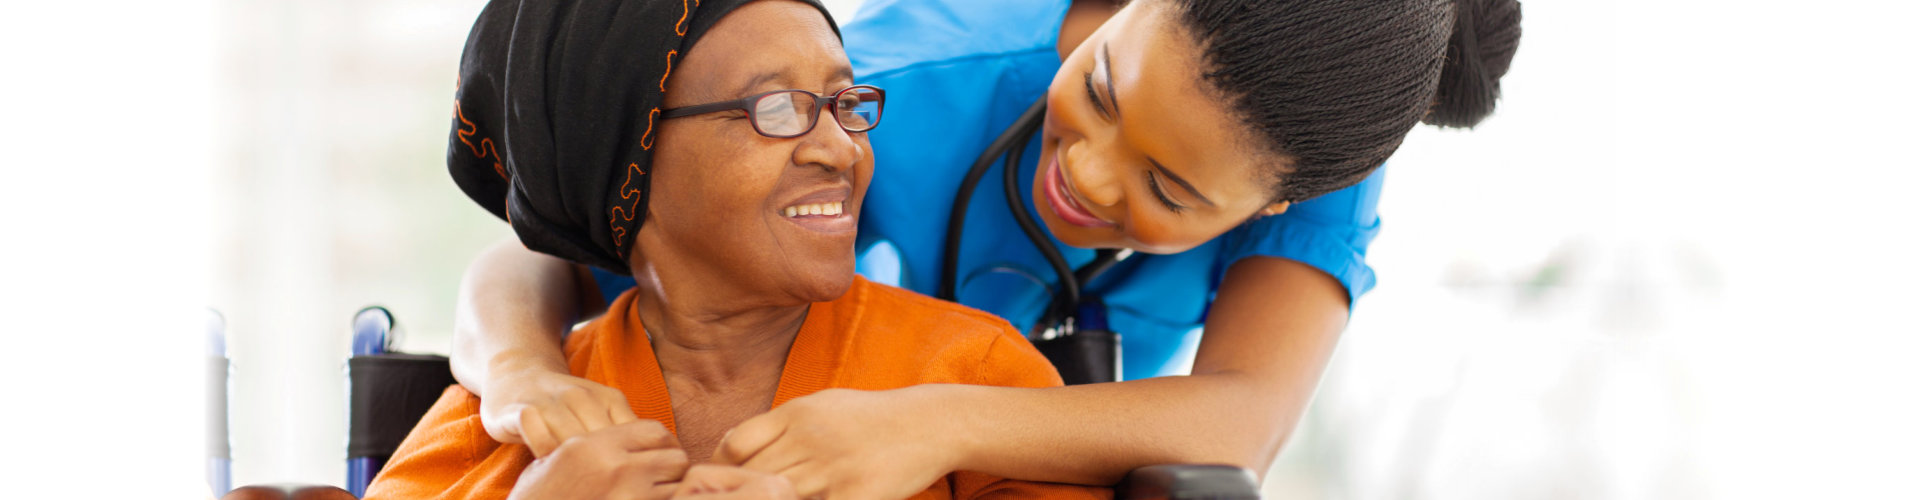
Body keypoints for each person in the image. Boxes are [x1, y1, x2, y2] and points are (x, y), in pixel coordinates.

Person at [451, 0, 1524, 498]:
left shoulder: (1314, 170)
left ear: (1279, 200)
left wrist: (932, 419)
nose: (1090, 175)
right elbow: (547, 238)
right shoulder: (884, 97)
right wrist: (518, 373)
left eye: (1169, 187)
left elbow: (1243, 419)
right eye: (1101, 89)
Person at [364, 1, 1110, 499]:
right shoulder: (494, 431)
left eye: (845, 102)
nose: (839, 148)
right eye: (776, 108)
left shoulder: (973, 374)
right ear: (625, 158)